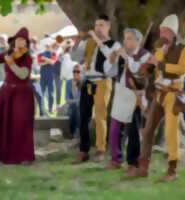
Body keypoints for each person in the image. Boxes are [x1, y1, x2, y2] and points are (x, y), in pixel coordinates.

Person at [128, 14, 185, 182]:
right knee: (148, 130)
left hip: (173, 95)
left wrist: (159, 63)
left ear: (172, 32)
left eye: (164, 31)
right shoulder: (158, 51)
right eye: (160, 31)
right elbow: (150, 71)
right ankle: (143, 167)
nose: (161, 34)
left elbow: (181, 69)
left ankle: (172, 171)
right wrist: (140, 69)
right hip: (158, 94)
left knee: (171, 132)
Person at [0, 27, 35, 165]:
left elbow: (23, 74)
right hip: (6, 93)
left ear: (26, 43)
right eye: (18, 39)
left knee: (20, 124)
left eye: (23, 40)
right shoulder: (9, 53)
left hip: (22, 95)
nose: (20, 42)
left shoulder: (27, 58)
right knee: (1, 122)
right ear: (14, 41)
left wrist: (12, 64)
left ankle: (24, 156)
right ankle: (0, 152)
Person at [73, 14, 121, 164]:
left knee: (100, 117)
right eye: (96, 25)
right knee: (83, 117)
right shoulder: (89, 43)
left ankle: (100, 149)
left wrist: (98, 40)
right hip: (87, 81)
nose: (97, 28)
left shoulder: (115, 44)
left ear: (108, 27)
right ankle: (84, 150)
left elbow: (109, 57)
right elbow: (75, 57)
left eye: (101, 25)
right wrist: (77, 42)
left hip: (103, 81)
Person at [103, 28, 151, 173]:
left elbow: (139, 72)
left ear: (138, 41)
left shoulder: (146, 55)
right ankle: (116, 159)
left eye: (129, 38)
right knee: (115, 129)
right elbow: (109, 72)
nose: (125, 41)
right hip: (121, 92)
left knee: (133, 131)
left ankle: (133, 163)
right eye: (125, 38)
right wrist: (111, 60)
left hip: (135, 94)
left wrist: (127, 57)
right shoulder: (122, 54)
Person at [65, 64, 82, 146]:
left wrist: (76, 88)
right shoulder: (68, 83)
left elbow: (82, 100)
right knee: (73, 110)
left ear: (82, 73)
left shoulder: (84, 83)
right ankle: (74, 135)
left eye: (78, 72)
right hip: (72, 107)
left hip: (82, 107)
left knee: (77, 109)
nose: (75, 73)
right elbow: (67, 99)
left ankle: (76, 135)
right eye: (74, 71)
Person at [38, 41, 56, 113]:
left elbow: (53, 62)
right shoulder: (40, 54)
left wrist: (45, 59)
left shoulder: (53, 53)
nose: (48, 46)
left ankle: (50, 108)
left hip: (51, 76)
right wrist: (49, 61)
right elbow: (40, 63)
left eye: (49, 45)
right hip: (43, 75)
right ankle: (42, 108)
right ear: (45, 46)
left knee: (51, 93)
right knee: (41, 92)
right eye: (47, 45)